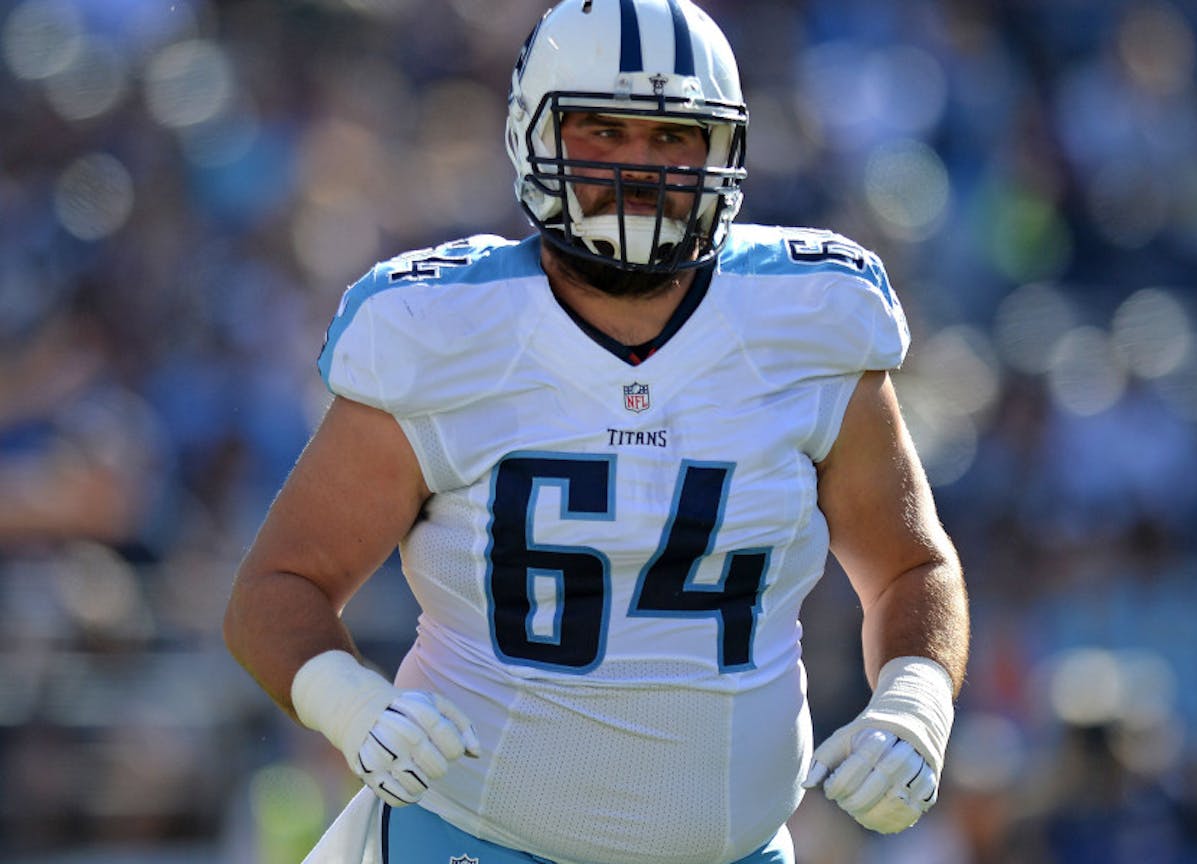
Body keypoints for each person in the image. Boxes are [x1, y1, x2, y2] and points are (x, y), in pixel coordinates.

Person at [222, 1, 970, 862]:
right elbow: (277, 587)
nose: (637, 166)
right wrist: (349, 704)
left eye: (670, 137)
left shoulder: (807, 320)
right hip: (473, 842)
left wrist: (915, 700)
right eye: (603, 132)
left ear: (721, 153)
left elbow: (912, 564)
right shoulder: (440, 330)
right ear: (534, 139)